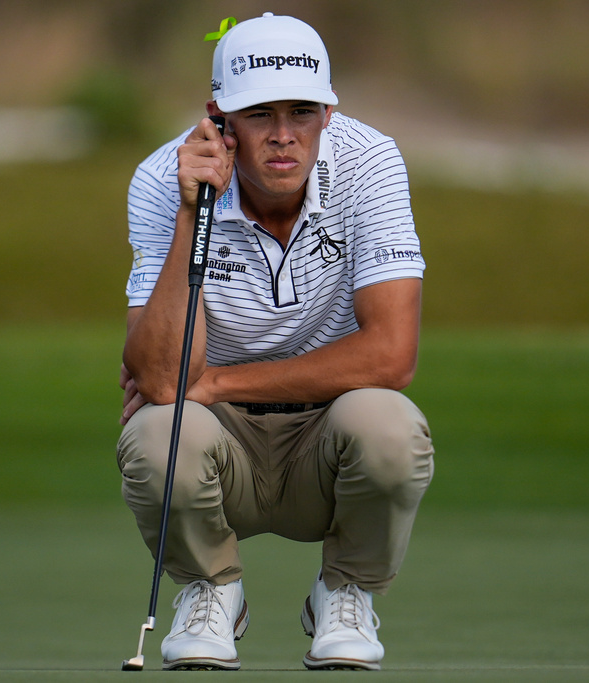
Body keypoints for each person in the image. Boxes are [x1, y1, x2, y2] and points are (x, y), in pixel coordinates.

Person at [116, 12, 434, 671]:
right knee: (154, 434)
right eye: (259, 115)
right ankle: (210, 590)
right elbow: (160, 377)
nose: (285, 136)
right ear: (218, 118)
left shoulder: (370, 161)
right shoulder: (160, 179)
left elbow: (391, 355)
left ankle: (346, 591)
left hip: (329, 438)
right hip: (216, 444)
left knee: (392, 426)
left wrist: (220, 382)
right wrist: (190, 211)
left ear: (328, 112)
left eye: (303, 112)